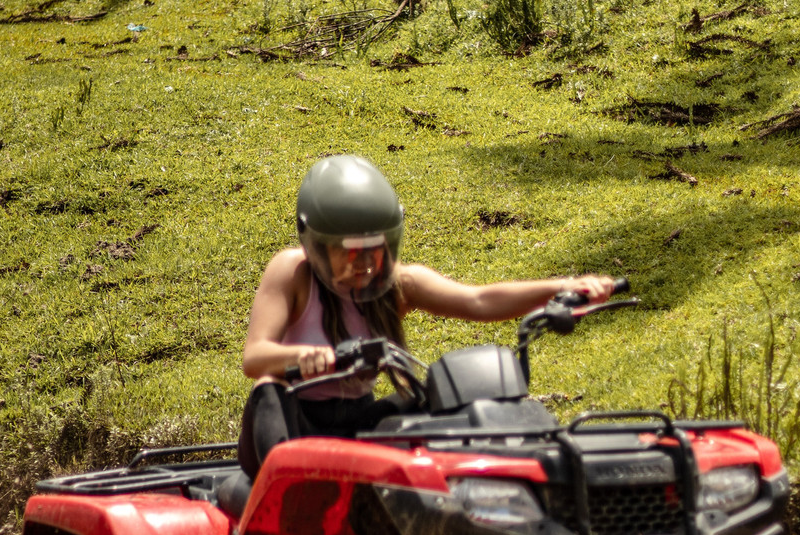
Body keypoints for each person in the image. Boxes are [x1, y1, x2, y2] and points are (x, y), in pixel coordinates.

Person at [238, 154, 615, 478]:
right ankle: (287, 495)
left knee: (432, 397)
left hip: (358, 418)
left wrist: (562, 288)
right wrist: (302, 358)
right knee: (269, 388)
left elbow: (479, 300)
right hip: (295, 421)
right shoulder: (292, 272)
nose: (367, 264)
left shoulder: (399, 284)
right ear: (317, 246)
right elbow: (254, 357)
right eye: (351, 253)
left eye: (376, 250)